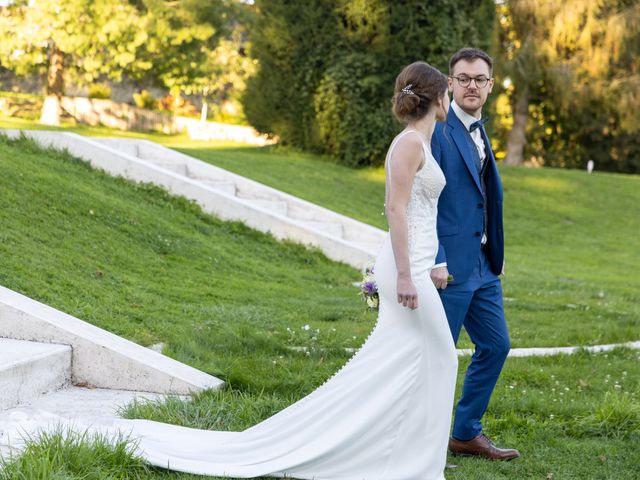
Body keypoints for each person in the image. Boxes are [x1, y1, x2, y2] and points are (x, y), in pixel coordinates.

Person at [92, 61, 457, 480]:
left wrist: (426, 266)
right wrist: (409, 274)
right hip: (402, 269)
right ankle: (414, 462)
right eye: (447, 90)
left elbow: (419, 213)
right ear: (435, 97)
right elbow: (395, 210)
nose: (450, 96)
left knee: (409, 359)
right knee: (442, 356)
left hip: (416, 264)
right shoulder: (410, 144)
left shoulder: (423, 144)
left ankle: (399, 453)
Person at [430, 47, 520, 461]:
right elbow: (421, 200)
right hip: (449, 267)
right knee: (437, 356)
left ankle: (465, 432)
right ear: (450, 83)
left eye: (479, 79)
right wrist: (436, 257)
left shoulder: (480, 129)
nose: (471, 85)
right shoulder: (436, 130)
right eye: (463, 78)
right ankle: (423, 436)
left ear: (490, 84)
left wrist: (494, 254)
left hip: (484, 265)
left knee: (496, 345)